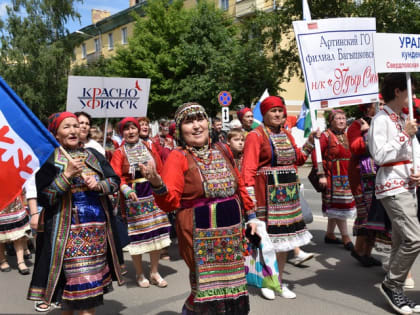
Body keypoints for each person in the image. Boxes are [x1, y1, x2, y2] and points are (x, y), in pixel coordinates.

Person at [142, 102, 257, 314]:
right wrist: (157, 184)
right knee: (205, 290)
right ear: (179, 129)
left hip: (232, 233)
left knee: (232, 286)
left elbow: (238, 184)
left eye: (200, 119)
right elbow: (170, 203)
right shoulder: (178, 156)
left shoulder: (222, 150)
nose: (196, 126)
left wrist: (252, 216)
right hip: (197, 233)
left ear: (207, 122)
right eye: (188, 122)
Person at [27, 112, 123, 314]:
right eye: (66, 127)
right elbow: (45, 197)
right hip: (67, 235)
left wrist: (98, 185)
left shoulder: (93, 155)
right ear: (56, 134)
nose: (73, 130)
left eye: (75, 126)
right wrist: (67, 175)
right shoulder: (49, 161)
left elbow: (114, 181)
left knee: (89, 292)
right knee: (74, 291)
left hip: (97, 233)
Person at [241, 96, 318, 299]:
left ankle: (279, 282)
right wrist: (250, 202)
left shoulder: (287, 134)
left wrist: (310, 142)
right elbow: (248, 168)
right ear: (264, 114)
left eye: (280, 111)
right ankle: (267, 280)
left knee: (284, 242)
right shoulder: (255, 136)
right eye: (273, 111)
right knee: (267, 242)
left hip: (288, 197)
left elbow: (299, 159)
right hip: (266, 195)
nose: (277, 114)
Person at [369, 73, 420, 314]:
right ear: (399, 91)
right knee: (414, 238)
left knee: (401, 240)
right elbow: (379, 156)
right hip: (392, 185)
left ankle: (396, 288)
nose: (414, 95)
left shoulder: (403, 117)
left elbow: (414, 152)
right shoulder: (381, 119)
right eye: (411, 90)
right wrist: (404, 134)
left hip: (408, 185)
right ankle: (392, 284)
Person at [110, 117, 171, 288]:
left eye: (133, 128)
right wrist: (126, 190)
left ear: (138, 130)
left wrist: (161, 186)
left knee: (156, 233)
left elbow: (160, 168)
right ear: (122, 133)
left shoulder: (148, 147)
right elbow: (115, 177)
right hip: (134, 198)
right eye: (126, 129)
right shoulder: (119, 152)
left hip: (152, 194)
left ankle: (154, 272)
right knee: (138, 237)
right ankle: (139, 273)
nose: (131, 132)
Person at [314, 109, 356, 251]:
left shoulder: (347, 135)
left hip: (346, 176)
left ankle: (330, 234)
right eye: (338, 118)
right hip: (332, 177)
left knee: (336, 208)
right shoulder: (325, 136)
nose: (342, 121)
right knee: (338, 207)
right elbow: (317, 156)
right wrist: (321, 175)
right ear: (331, 121)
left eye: (343, 118)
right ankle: (346, 237)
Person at [347, 103, 383, 267]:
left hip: (380, 175)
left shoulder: (383, 121)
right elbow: (355, 147)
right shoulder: (356, 125)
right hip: (362, 177)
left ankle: (366, 252)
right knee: (366, 214)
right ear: (368, 108)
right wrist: (368, 133)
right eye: (378, 104)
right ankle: (358, 249)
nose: (381, 107)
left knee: (376, 214)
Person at [0, 191, 32, 276]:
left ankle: (21, 262)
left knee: (18, 234)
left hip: (13, 202)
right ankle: (3, 260)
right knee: (0, 236)